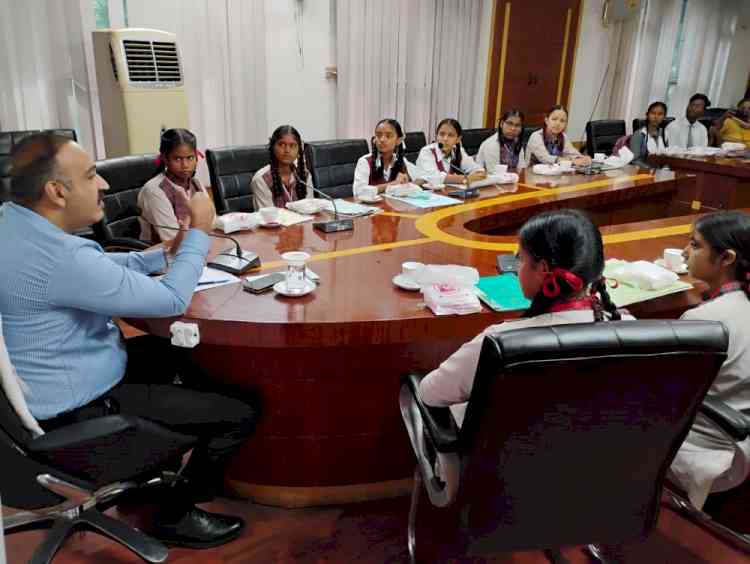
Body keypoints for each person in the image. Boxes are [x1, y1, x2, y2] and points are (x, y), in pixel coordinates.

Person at [0, 132, 255, 548]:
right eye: (90, 175)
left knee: (182, 356)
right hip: (77, 410)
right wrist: (199, 234)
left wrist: (165, 252)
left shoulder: (13, 223)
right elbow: (172, 299)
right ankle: (175, 512)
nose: (102, 185)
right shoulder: (60, 258)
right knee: (241, 411)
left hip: (33, 397)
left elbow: (96, 265)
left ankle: (157, 472)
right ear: (57, 191)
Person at [419, 209, 628, 427]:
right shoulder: (631, 331)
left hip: (500, 459)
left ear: (543, 269)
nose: (516, 269)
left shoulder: (500, 342)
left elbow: (430, 392)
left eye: (520, 259)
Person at [670, 211, 750, 510]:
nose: (684, 252)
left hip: (706, 447)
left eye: (695, 245)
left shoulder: (705, 321)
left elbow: (665, 391)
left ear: (726, 258)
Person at [138, 128, 209, 243]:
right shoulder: (154, 191)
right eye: (177, 159)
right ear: (165, 159)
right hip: (162, 253)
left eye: (190, 158)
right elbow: (172, 238)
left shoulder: (196, 183)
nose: (185, 165)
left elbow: (211, 220)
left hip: (194, 246)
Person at [353, 118, 425, 198]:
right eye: (378, 135)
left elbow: (423, 177)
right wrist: (393, 184)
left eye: (388, 136)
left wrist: (407, 185)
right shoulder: (365, 162)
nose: (382, 139)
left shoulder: (401, 160)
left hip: (393, 208)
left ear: (398, 140)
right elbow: (358, 192)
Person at [252, 125, 314, 209]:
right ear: (273, 148)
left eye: (292, 145)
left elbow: (310, 209)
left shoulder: (305, 175)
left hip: (304, 222)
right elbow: (267, 218)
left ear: (299, 150)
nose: (287, 150)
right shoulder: (261, 179)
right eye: (281, 145)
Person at [417, 118, 487, 186]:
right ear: (436, 136)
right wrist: (465, 178)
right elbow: (435, 177)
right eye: (442, 134)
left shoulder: (458, 151)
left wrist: (479, 174)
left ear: (458, 139)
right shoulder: (427, 151)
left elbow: (476, 168)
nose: (445, 139)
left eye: (450, 135)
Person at [526, 105, 591, 166]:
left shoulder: (563, 137)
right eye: (554, 119)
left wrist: (582, 158)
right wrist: (570, 161)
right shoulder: (536, 136)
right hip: (533, 173)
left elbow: (571, 152)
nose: (558, 123)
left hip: (554, 173)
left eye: (562, 121)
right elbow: (545, 158)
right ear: (546, 120)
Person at [629, 101, 669, 167]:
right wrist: (650, 169)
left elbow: (667, 156)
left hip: (661, 172)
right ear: (647, 115)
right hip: (643, 172)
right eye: (653, 113)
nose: (656, 117)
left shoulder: (664, 133)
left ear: (664, 117)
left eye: (660, 114)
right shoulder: (639, 135)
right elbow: (634, 160)